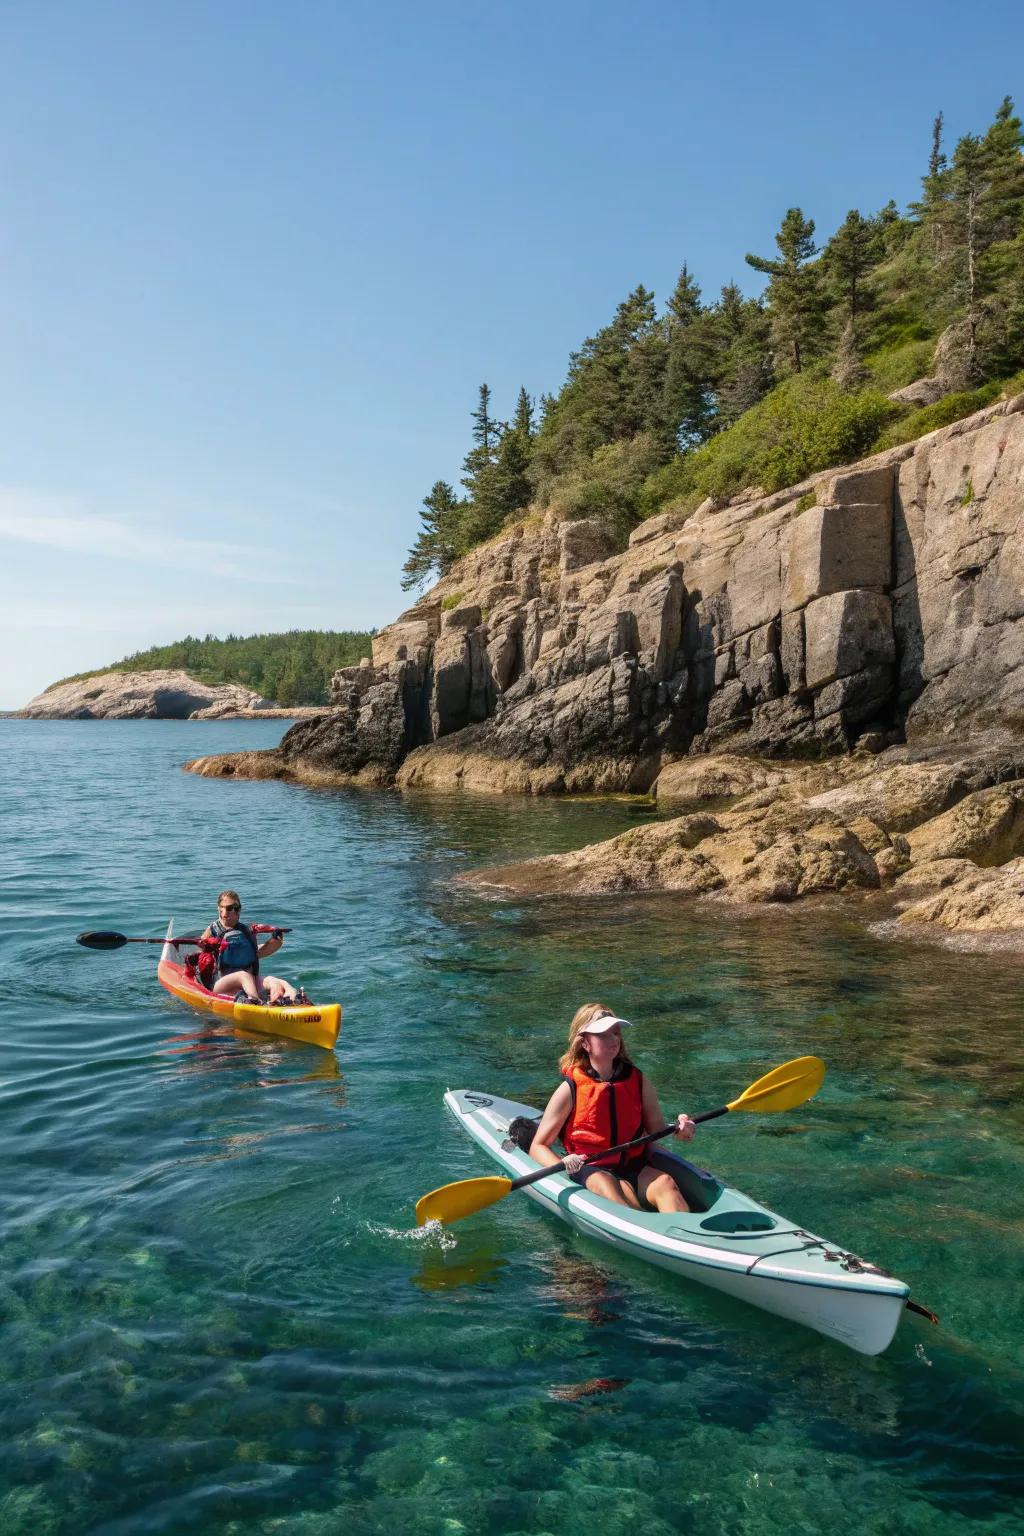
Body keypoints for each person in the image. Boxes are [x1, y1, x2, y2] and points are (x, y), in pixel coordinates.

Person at [529, 1002, 696, 1212]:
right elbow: (538, 1147)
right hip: (591, 1167)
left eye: (615, 1033)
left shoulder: (638, 1081)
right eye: (603, 1035)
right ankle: (644, 1231)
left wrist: (681, 1129)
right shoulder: (569, 1089)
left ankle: (686, 1237)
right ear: (585, 1044)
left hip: (632, 1164)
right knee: (609, 1187)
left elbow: (657, 1131)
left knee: (666, 1184)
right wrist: (563, 1164)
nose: (613, 1039)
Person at [201, 890, 302, 1005]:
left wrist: (276, 940)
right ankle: (256, 1002)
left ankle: (292, 999)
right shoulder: (213, 930)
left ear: (238, 910)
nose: (224, 914)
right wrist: (207, 946)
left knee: (275, 981)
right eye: (221, 909)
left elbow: (257, 953)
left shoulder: (246, 931)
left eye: (229, 909)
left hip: (248, 982)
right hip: (221, 982)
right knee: (243, 976)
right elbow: (201, 953)